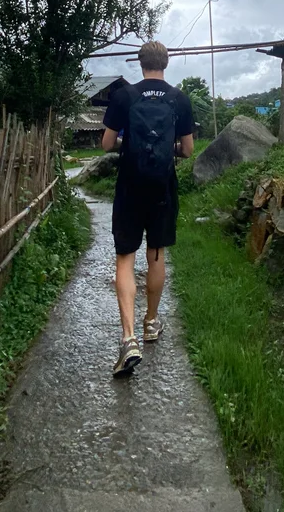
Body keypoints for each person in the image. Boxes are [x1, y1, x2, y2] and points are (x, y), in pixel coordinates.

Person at [101, 41, 194, 377]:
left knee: (125, 257)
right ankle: (151, 323)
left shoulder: (124, 96)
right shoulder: (179, 99)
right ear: (165, 64)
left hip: (130, 185)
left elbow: (107, 144)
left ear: (140, 64)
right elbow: (188, 149)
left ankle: (128, 339)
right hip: (162, 187)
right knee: (156, 253)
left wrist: (132, 145)